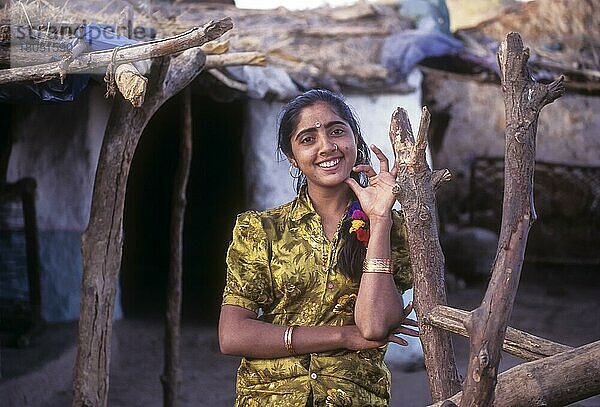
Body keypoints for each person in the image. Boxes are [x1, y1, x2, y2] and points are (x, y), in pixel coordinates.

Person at [219, 89, 417, 406]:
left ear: (355, 140)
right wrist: (340, 336)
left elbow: (374, 325)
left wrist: (379, 221)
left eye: (337, 131)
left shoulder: (396, 229)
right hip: (270, 398)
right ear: (292, 158)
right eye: (308, 139)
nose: (326, 146)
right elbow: (232, 336)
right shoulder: (262, 230)